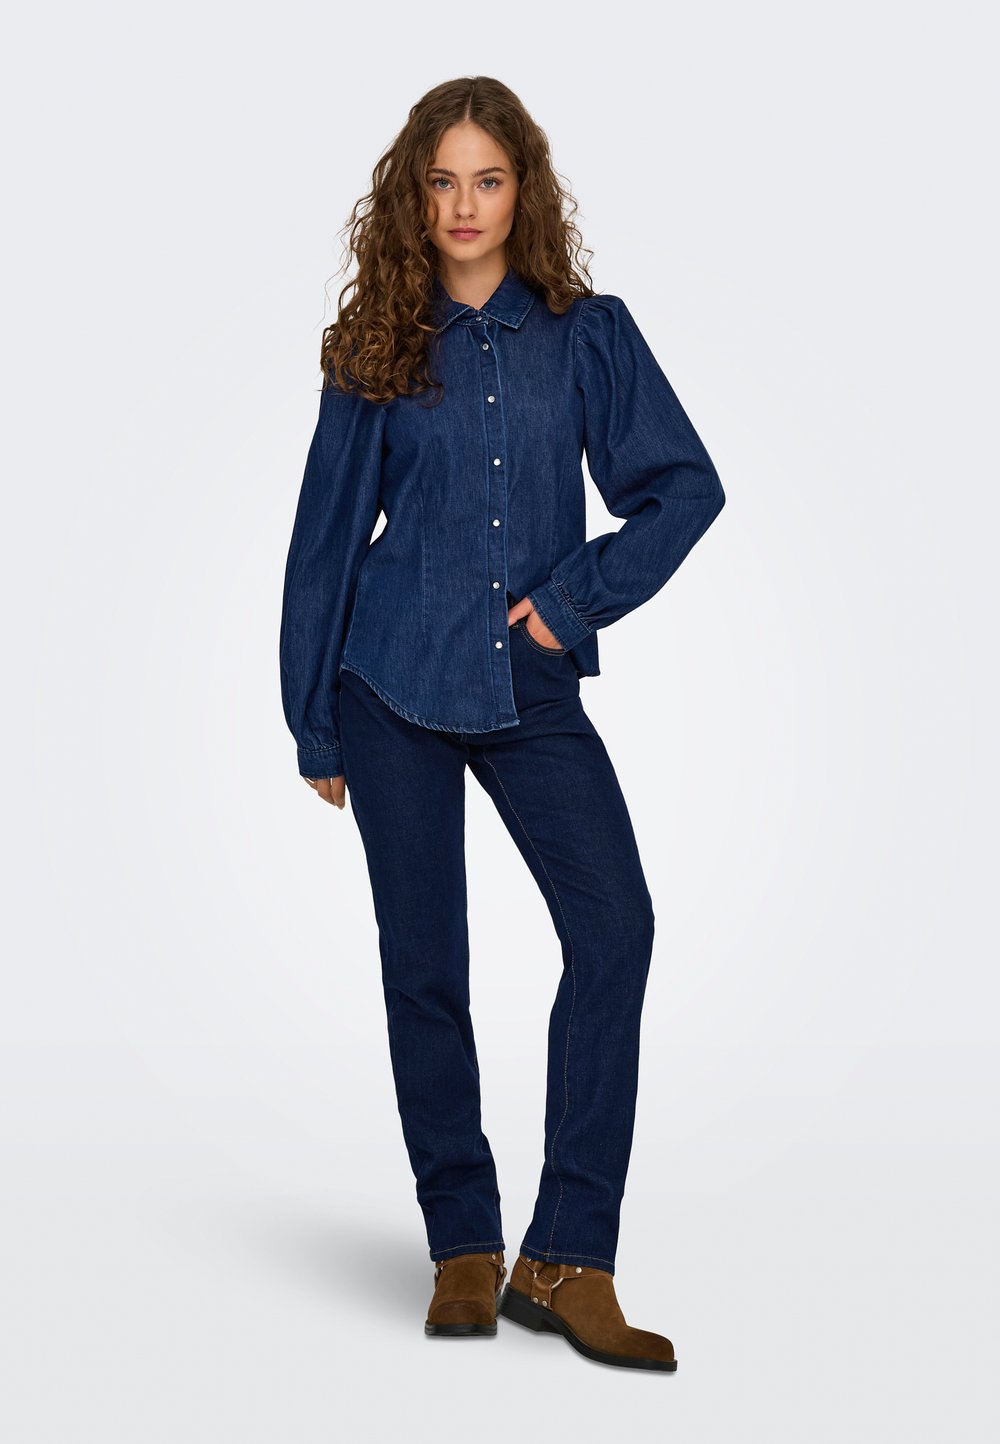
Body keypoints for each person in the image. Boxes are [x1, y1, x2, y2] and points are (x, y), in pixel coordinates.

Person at [279, 75, 725, 1372]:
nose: (464, 205)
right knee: (426, 965)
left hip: (530, 692)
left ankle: (568, 1256)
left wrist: (571, 601)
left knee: (615, 926)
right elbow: (324, 541)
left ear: (522, 191)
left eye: (487, 179)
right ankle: (463, 1246)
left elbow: (683, 488)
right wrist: (314, 723)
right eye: (442, 181)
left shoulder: (588, 336)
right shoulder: (377, 344)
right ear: (412, 199)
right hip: (390, 685)